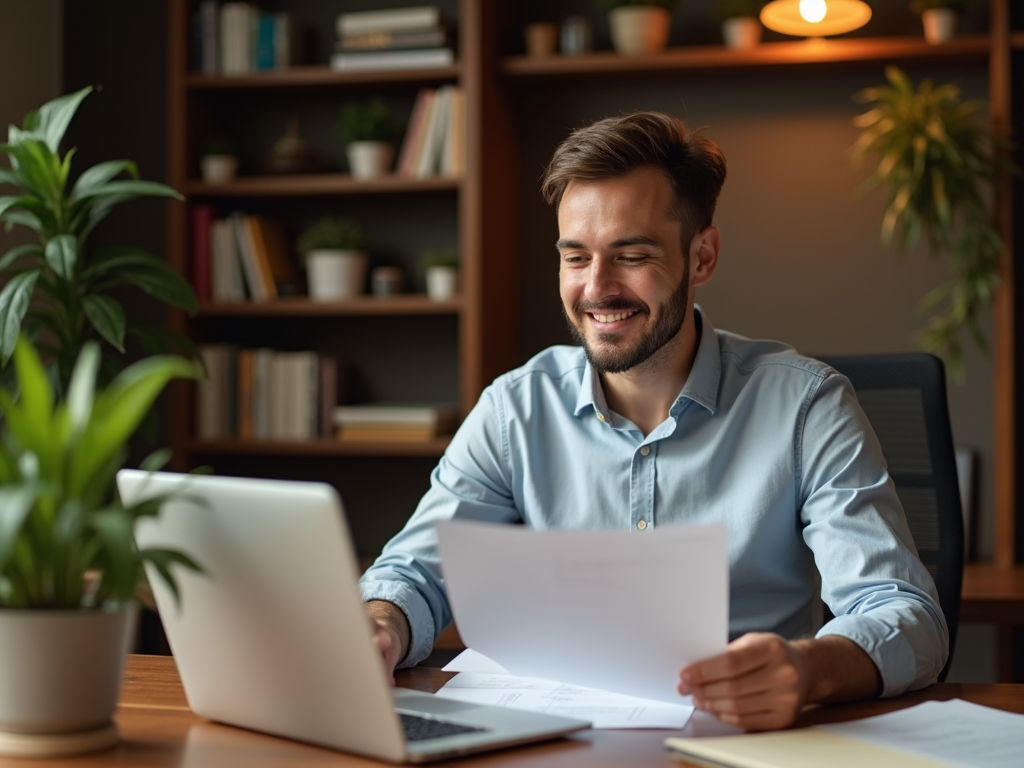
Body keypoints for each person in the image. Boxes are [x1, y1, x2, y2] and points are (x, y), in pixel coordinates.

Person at [360, 110, 948, 731]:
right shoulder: (514, 408)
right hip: (554, 742)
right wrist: (381, 625)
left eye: (631, 254)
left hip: (743, 744)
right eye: (576, 257)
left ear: (703, 256)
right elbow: (413, 573)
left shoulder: (807, 406)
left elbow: (904, 612)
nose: (597, 288)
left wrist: (809, 669)